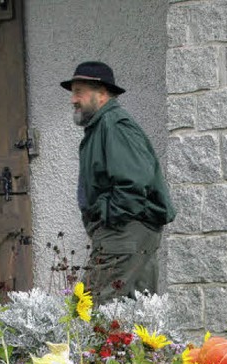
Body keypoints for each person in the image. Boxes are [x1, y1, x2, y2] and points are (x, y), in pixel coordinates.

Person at [60, 61, 175, 304]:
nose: (73, 99)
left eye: (79, 92)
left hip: (124, 231)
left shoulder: (114, 125)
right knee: (134, 312)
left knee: (91, 308)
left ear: (101, 94)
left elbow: (134, 183)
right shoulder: (102, 126)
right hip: (126, 232)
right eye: (73, 93)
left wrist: (107, 218)